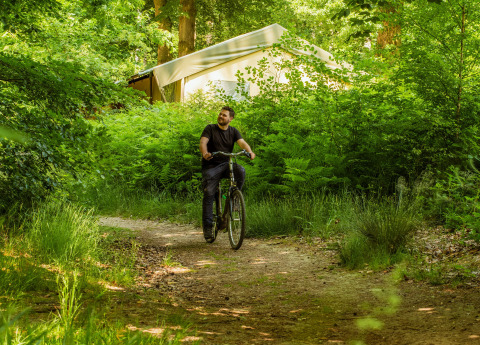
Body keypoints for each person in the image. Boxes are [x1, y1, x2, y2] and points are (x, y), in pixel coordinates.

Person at [199, 106, 255, 241]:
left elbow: (242, 143)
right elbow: (203, 141)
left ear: (230, 119)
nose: (221, 116)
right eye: (220, 114)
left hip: (226, 164)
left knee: (241, 170)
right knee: (209, 194)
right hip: (211, 166)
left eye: (224, 115)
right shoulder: (210, 128)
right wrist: (205, 153)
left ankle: (235, 198)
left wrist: (250, 152)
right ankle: (208, 228)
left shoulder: (233, 131)